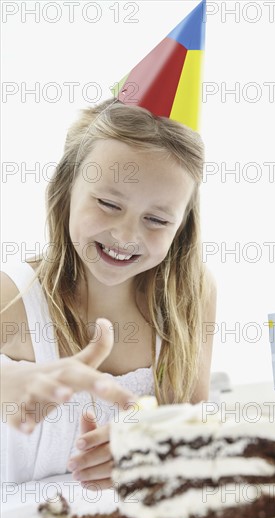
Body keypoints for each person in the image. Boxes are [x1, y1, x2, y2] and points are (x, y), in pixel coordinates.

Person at [0, 99, 216, 487]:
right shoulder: (13, 294)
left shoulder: (191, 295)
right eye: (108, 203)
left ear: (182, 226)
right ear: (66, 190)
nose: (126, 236)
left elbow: (192, 425)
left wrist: (148, 449)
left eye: (157, 219)